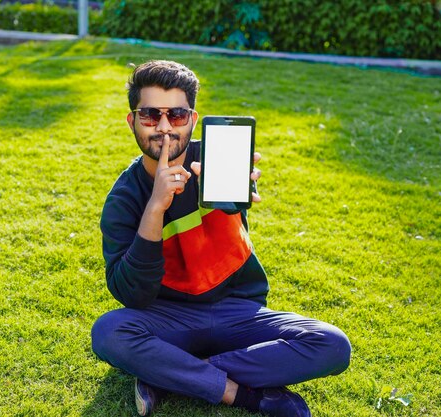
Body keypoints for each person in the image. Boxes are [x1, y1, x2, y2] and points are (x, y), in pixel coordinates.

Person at [91, 60, 351, 417]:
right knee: (108, 333)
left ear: (193, 120)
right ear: (132, 121)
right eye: (150, 114)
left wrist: (241, 190)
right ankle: (245, 395)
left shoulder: (218, 161)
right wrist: (154, 208)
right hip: (168, 317)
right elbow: (132, 294)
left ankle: (170, 374)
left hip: (237, 311)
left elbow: (239, 197)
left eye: (177, 115)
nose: (164, 127)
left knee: (333, 345)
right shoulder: (123, 200)